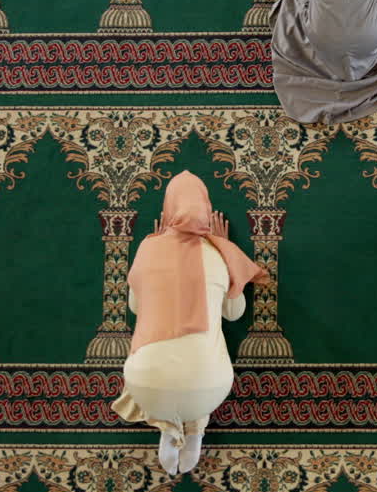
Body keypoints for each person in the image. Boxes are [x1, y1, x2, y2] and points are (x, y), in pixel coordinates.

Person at [111, 171, 267, 474]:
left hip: (145, 386)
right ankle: (195, 428)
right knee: (206, 345)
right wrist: (226, 249)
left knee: (153, 351)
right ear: (206, 210)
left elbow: (134, 307)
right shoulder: (220, 254)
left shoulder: (148, 248)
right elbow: (233, 314)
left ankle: (168, 426)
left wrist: (153, 254)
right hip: (210, 388)